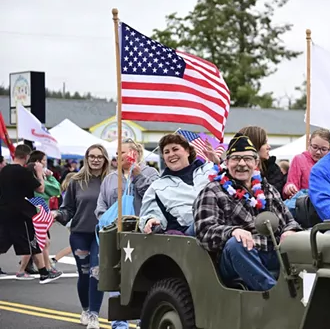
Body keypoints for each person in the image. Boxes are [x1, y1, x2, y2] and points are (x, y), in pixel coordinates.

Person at [193, 133, 302, 291]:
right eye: (236, 158)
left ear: (256, 162)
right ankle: (273, 295)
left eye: (248, 158)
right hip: (237, 257)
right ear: (227, 161)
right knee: (237, 243)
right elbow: (204, 231)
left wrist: (290, 231)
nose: (242, 164)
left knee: (305, 240)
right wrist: (233, 231)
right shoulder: (213, 190)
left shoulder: (267, 189)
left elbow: (289, 219)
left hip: (273, 251)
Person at [96, 138, 158, 329]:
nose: (118, 155)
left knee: (143, 276)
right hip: (115, 236)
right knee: (115, 276)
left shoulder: (151, 173)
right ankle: (119, 322)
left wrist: (138, 176)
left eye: (122, 152)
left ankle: (143, 319)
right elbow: (101, 207)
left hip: (141, 235)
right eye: (117, 152)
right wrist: (106, 220)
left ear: (135, 153)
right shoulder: (110, 178)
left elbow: (156, 198)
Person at [53, 144, 110, 329]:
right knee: (84, 274)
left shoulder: (112, 180)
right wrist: (57, 214)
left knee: (97, 272)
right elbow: (67, 208)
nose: (95, 159)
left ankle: (94, 315)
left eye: (99, 157)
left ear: (105, 159)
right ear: (86, 158)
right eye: (92, 156)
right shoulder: (76, 181)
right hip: (79, 234)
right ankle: (85, 309)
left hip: (102, 235)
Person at [0, 144, 61, 283]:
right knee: (33, 242)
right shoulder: (23, 172)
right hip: (22, 212)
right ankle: (44, 273)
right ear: (27, 157)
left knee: (3, 241)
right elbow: (40, 188)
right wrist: (39, 173)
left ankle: (42, 272)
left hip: (4, 211)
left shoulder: (4, 171)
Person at [139, 133, 219, 235]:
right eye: (166, 152)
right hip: (189, 235)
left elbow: (233, 187)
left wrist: (218, 164)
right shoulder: (157, 187)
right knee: (203, 222)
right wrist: (150, 220)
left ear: (188, 151)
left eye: (175, 149)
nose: (171, 154)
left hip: (222, 222)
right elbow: (152, 212)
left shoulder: (210, 169)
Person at [282, 129, 330, 199]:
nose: (318, 152)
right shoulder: (299, 159)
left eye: (323, 149)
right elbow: (291, 183)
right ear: (309, 144)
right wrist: (289, 188)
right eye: (315, 147)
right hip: (304, 205)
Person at [237, 126, 286, 195]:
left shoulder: (273, 170)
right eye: (264, 143)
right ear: (253, 145)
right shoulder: (234, 172)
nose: (269, 147)